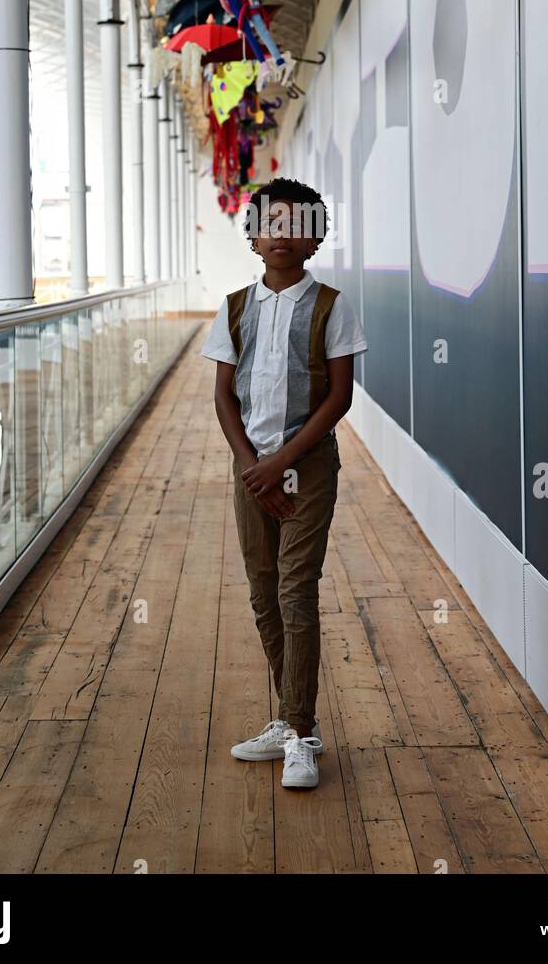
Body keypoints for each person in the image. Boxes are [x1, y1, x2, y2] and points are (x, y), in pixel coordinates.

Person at [201, 178, 367, 789]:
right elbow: (223, 395)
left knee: (297, 592)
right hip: (252, 468)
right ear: (252, 235)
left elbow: (339, 397)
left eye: (297, 224)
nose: (282, 234)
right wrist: (254, 466)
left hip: (309, 467)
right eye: (270, 223)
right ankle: (288, 718)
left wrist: (282, 464)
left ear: (316, 235)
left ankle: (301, 730)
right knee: (264, 593)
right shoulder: (234, 308)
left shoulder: (331, 305)